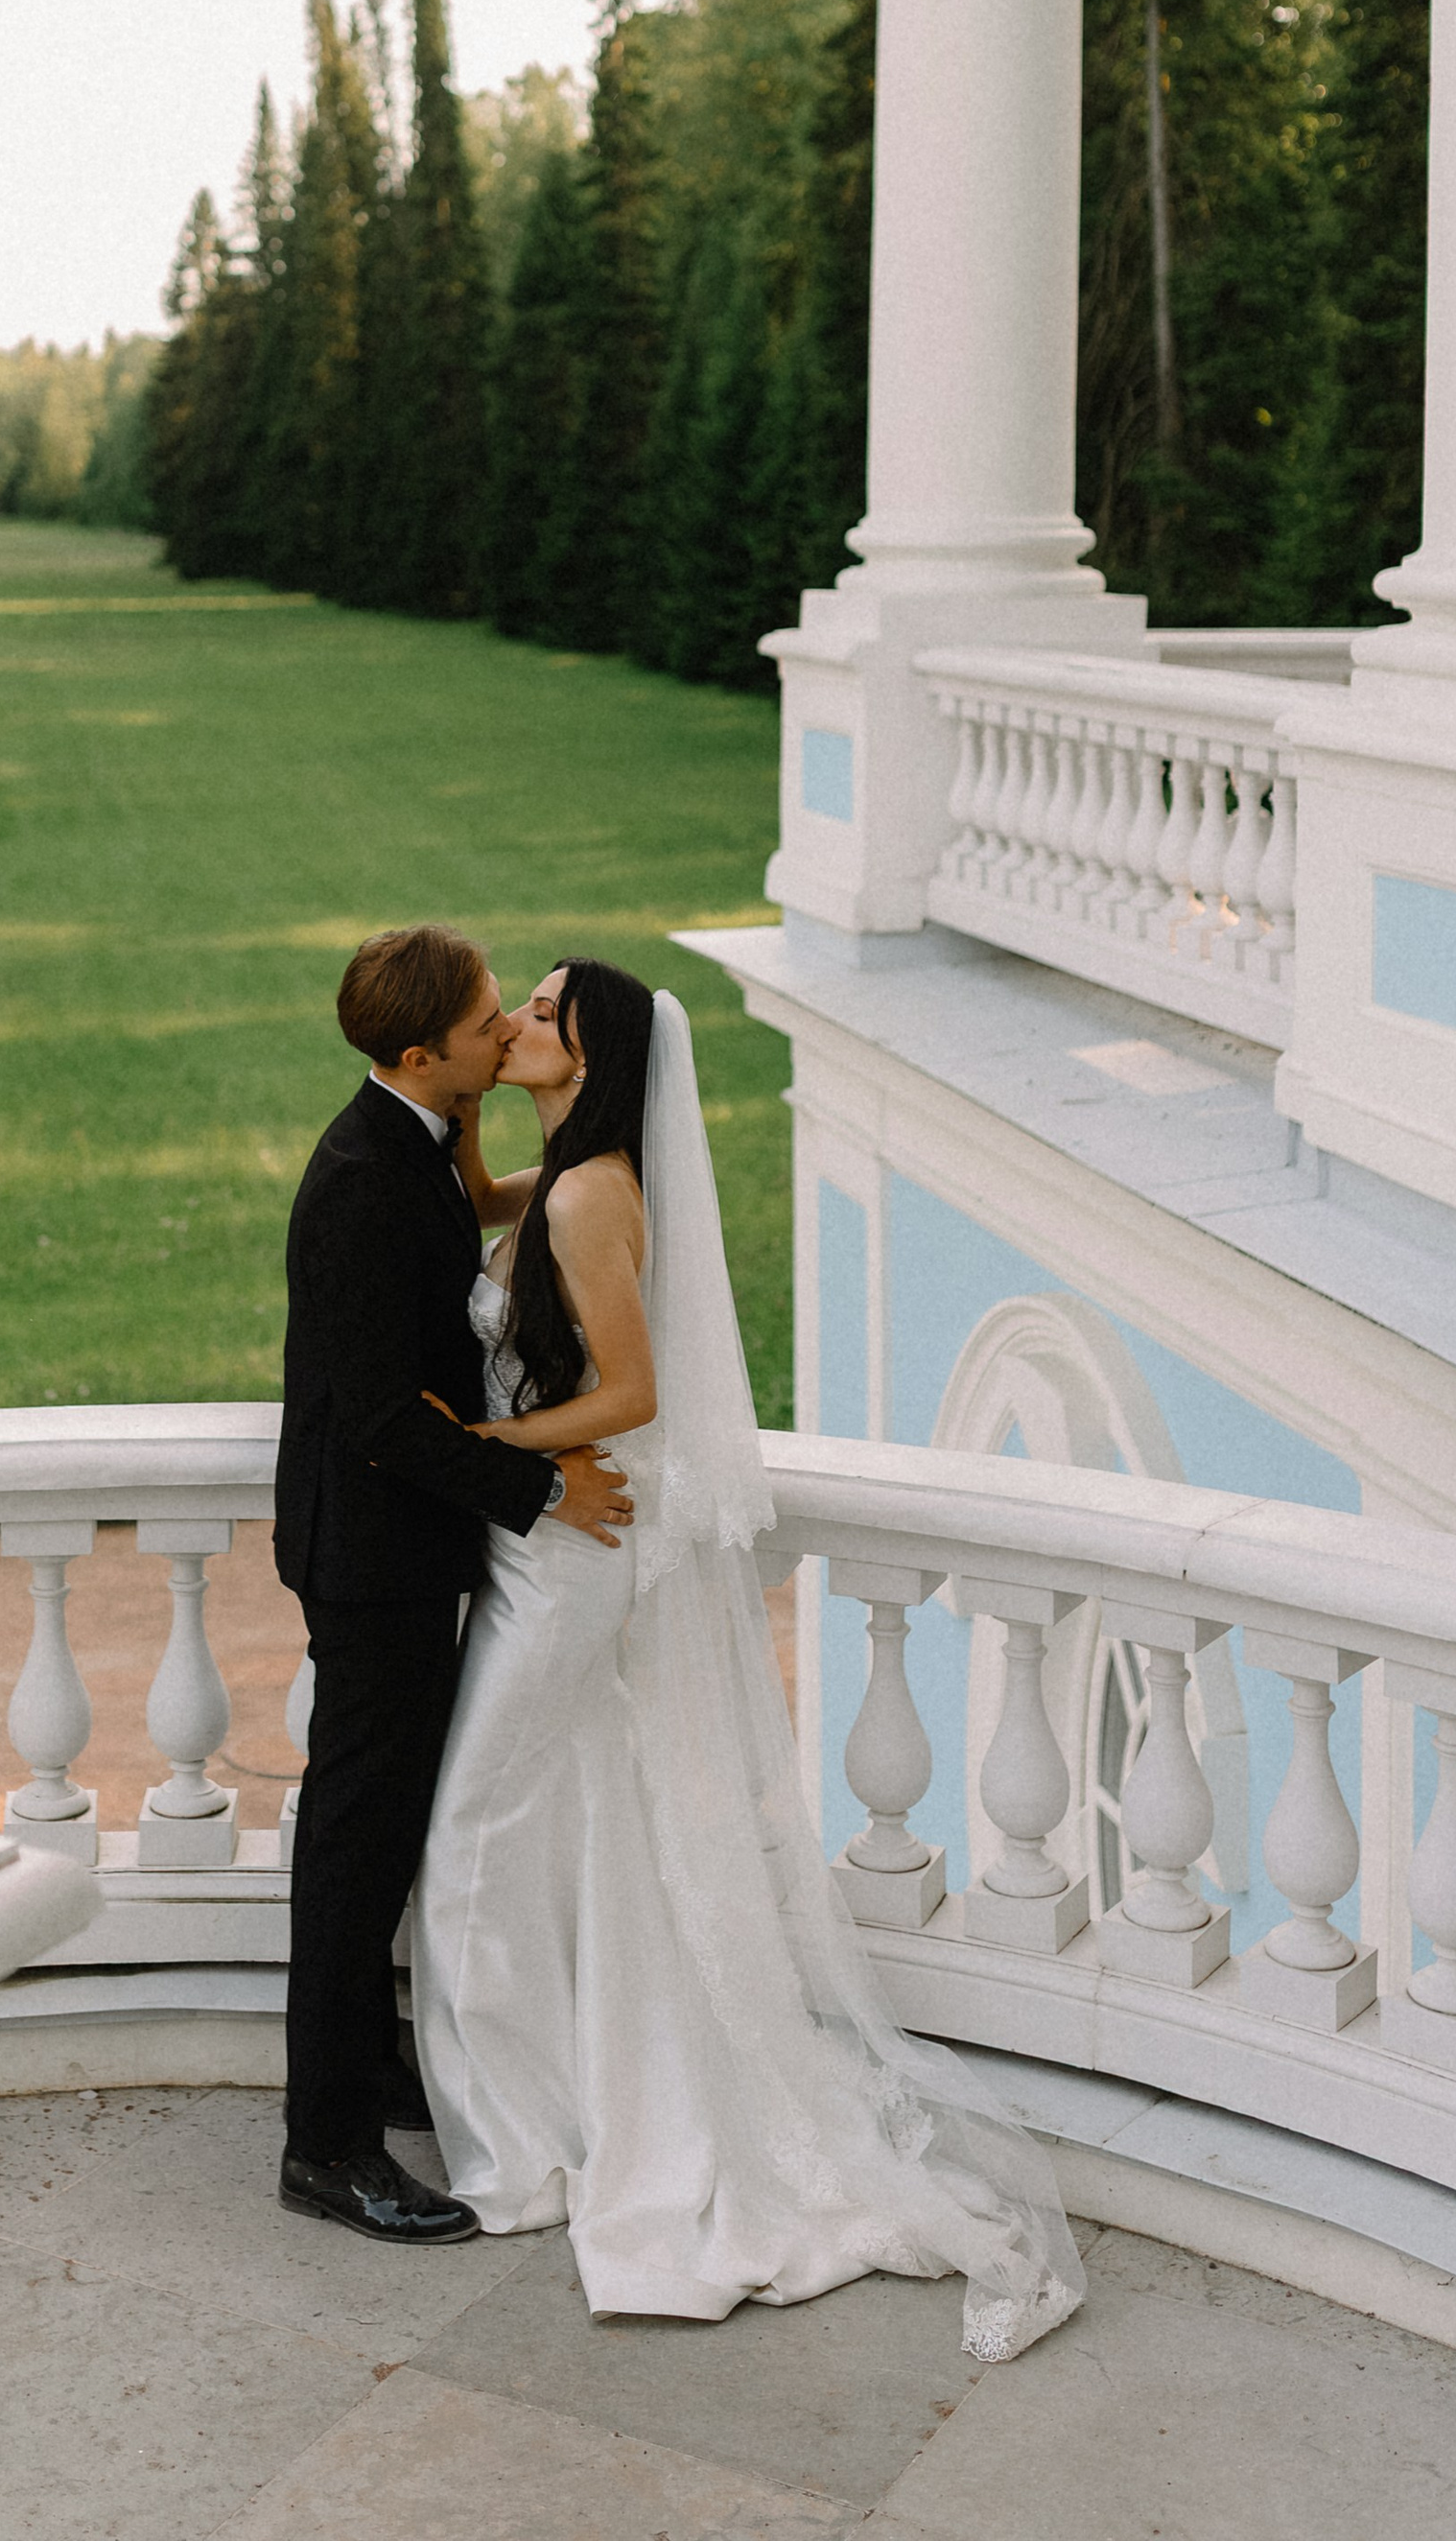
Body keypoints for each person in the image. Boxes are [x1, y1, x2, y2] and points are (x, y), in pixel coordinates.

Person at [410, 957, 1086, 2361]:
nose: (519, 1025)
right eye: (517, 1009)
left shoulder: (596, 1193)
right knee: (568, 1829)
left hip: (570, 1561)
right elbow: (483, 1208)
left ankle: (512, 2159)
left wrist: (490, 1451)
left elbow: (637, 1393)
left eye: (544, 1015)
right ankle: (558, 2107)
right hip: (537, 1550)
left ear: (591, 1059)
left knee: (471, 1826)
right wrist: (464, 1103)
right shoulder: (563, 1174)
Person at [272, 923, 633, 2247]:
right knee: (355, 1846)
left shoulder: (419, 1136)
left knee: (381, 1828)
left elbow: (467, 1209)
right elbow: (381, 1418)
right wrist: (547, 1491)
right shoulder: (364, 1182)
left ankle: (364, 2072)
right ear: (421, 1053)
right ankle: (327, 2146)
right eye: (485, 1022)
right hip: (373, 1561)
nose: (503, 1028)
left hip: (404, 1551)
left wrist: (573, 1159)